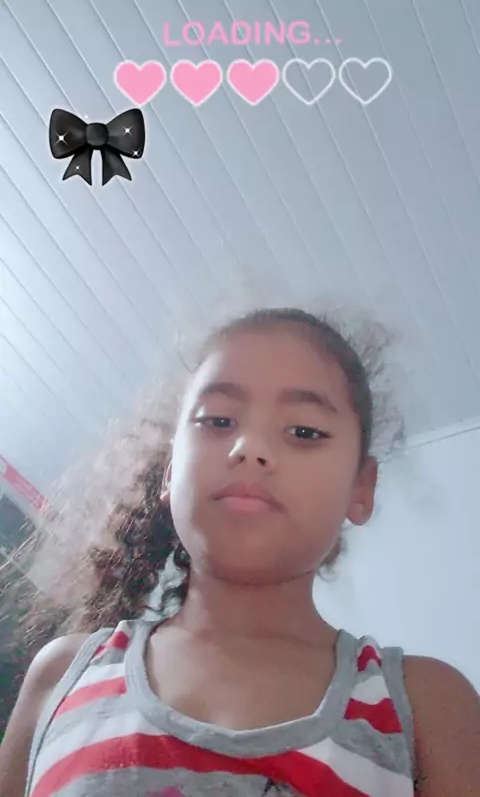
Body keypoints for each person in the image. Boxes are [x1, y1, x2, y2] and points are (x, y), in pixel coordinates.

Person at [0, 306, 478, 797]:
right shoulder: (62, 673)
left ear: (362, 488)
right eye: (219, 421)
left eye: (304, 432)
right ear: (170, 473)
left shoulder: (428, 707)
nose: (249, 447)